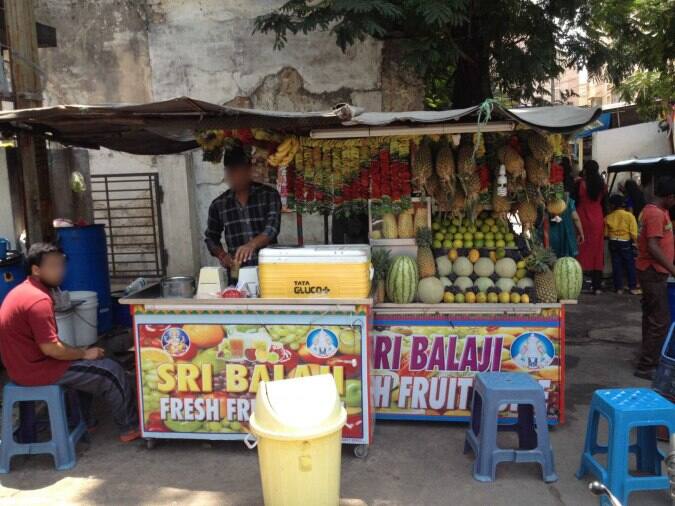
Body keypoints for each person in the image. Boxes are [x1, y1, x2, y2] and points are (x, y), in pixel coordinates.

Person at [0, 243, 140, 441]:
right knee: (111, 371)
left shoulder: (24, 290)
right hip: (36, 370)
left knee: (91, 361)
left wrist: (80, 352)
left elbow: (49, 343)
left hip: (24, 366)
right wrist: (83, 353)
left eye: (61, 265)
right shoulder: (37, 300)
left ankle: (85, 422)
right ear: (36, 270)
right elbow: (50, 348)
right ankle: (130, 427)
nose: (60, 271)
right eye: (53, 267)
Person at [205, 140, 282, 275]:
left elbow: (272, 229)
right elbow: (211, 238)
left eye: (236, 171)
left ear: (248, 171)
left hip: (269, 271)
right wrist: (222, 255)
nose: (232, 176)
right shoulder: (219, 204)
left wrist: (251, 245)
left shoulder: (269, 195)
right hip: (237, 274)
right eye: (229, 172)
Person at [634, 176, 675, 380]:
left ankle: (647, 360)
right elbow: (652, 245)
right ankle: (647, 365)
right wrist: (673, 269)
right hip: (652, 271)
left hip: (653, 271)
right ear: (669, 197)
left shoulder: (656, 211)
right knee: (660, 320)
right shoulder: (655, 214)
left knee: (652, 318)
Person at [575, 160, 607, 294]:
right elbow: (605, 202)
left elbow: (575, 199)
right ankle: (597, 286)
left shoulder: (581, 184)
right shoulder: (602, 185)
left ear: (586, 170)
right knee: (597, 251)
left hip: (582, 218)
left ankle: (578, 283)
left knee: (581, 249)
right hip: (598, 218)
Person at [604, 194, 639, 294]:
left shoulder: (608, 217)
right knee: (629, 264)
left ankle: (619, 288)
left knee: (616, 264)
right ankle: (632, 286)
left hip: (613, 242)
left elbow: (605, 233)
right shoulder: (629, 216)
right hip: (625, 242)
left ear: (613, 205)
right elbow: (633, 233)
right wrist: (637, 243)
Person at [549, 158, 584, 258]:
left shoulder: (548, 199)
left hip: (551, 234)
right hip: (566, 235)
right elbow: (575, 218)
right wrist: (581, 233)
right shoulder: (569, 202)